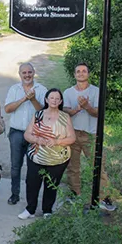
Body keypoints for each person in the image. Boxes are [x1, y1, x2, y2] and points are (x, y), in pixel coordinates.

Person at [63, 63, 116, 211]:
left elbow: (99, 113)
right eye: (78, 71)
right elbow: (65, 111)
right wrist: (76, 109)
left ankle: (104, 197)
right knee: (73, 167)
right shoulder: (68, 92)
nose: (81, 73)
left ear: (88, 74)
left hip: (91, 134)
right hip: (72, 134)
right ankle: (75, 194)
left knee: (98, 167)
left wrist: (87, 106)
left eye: (84, 71)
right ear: (74, 75)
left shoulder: (96, 91)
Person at [18, 89, 76, 219]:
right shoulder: (38, 115)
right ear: (46, 99)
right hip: (36, 156)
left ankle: (47, 210)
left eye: (57, 98)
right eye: (51, 98)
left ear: (60, 101)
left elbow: (72, 138)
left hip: (58, 159)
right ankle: (30, 209)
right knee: (32, 183)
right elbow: (27, 134)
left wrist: (56, 141)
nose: (54, 100)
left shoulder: (65, 117)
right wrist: (37, 139)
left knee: (52, 185)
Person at [4, 62, 47, 205]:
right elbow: (8, 109)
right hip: (16, 132)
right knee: (15, 166)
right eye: (24, 73)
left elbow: (43, 112)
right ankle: (14, 194)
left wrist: (33, 99)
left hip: (34, 134)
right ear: (20, 74)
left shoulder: (41, 89)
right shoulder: (14, 89)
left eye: (29, 72)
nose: (27, 75)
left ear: (34, 72)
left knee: (33, 167)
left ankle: (31, 197)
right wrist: (24, 99)